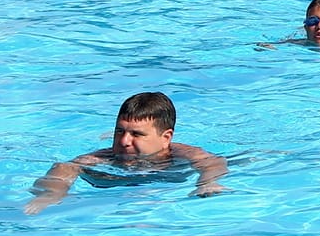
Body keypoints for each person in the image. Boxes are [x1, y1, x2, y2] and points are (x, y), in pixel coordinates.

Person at [25, 91, 226, 213]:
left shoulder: (182, 154)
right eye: (119, 131)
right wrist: (51, 193)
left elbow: (213, 163)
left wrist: (207, 183)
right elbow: (65, 168)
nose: (124, 142)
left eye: (137, 134)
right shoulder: (103, 156)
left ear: (166, 138)